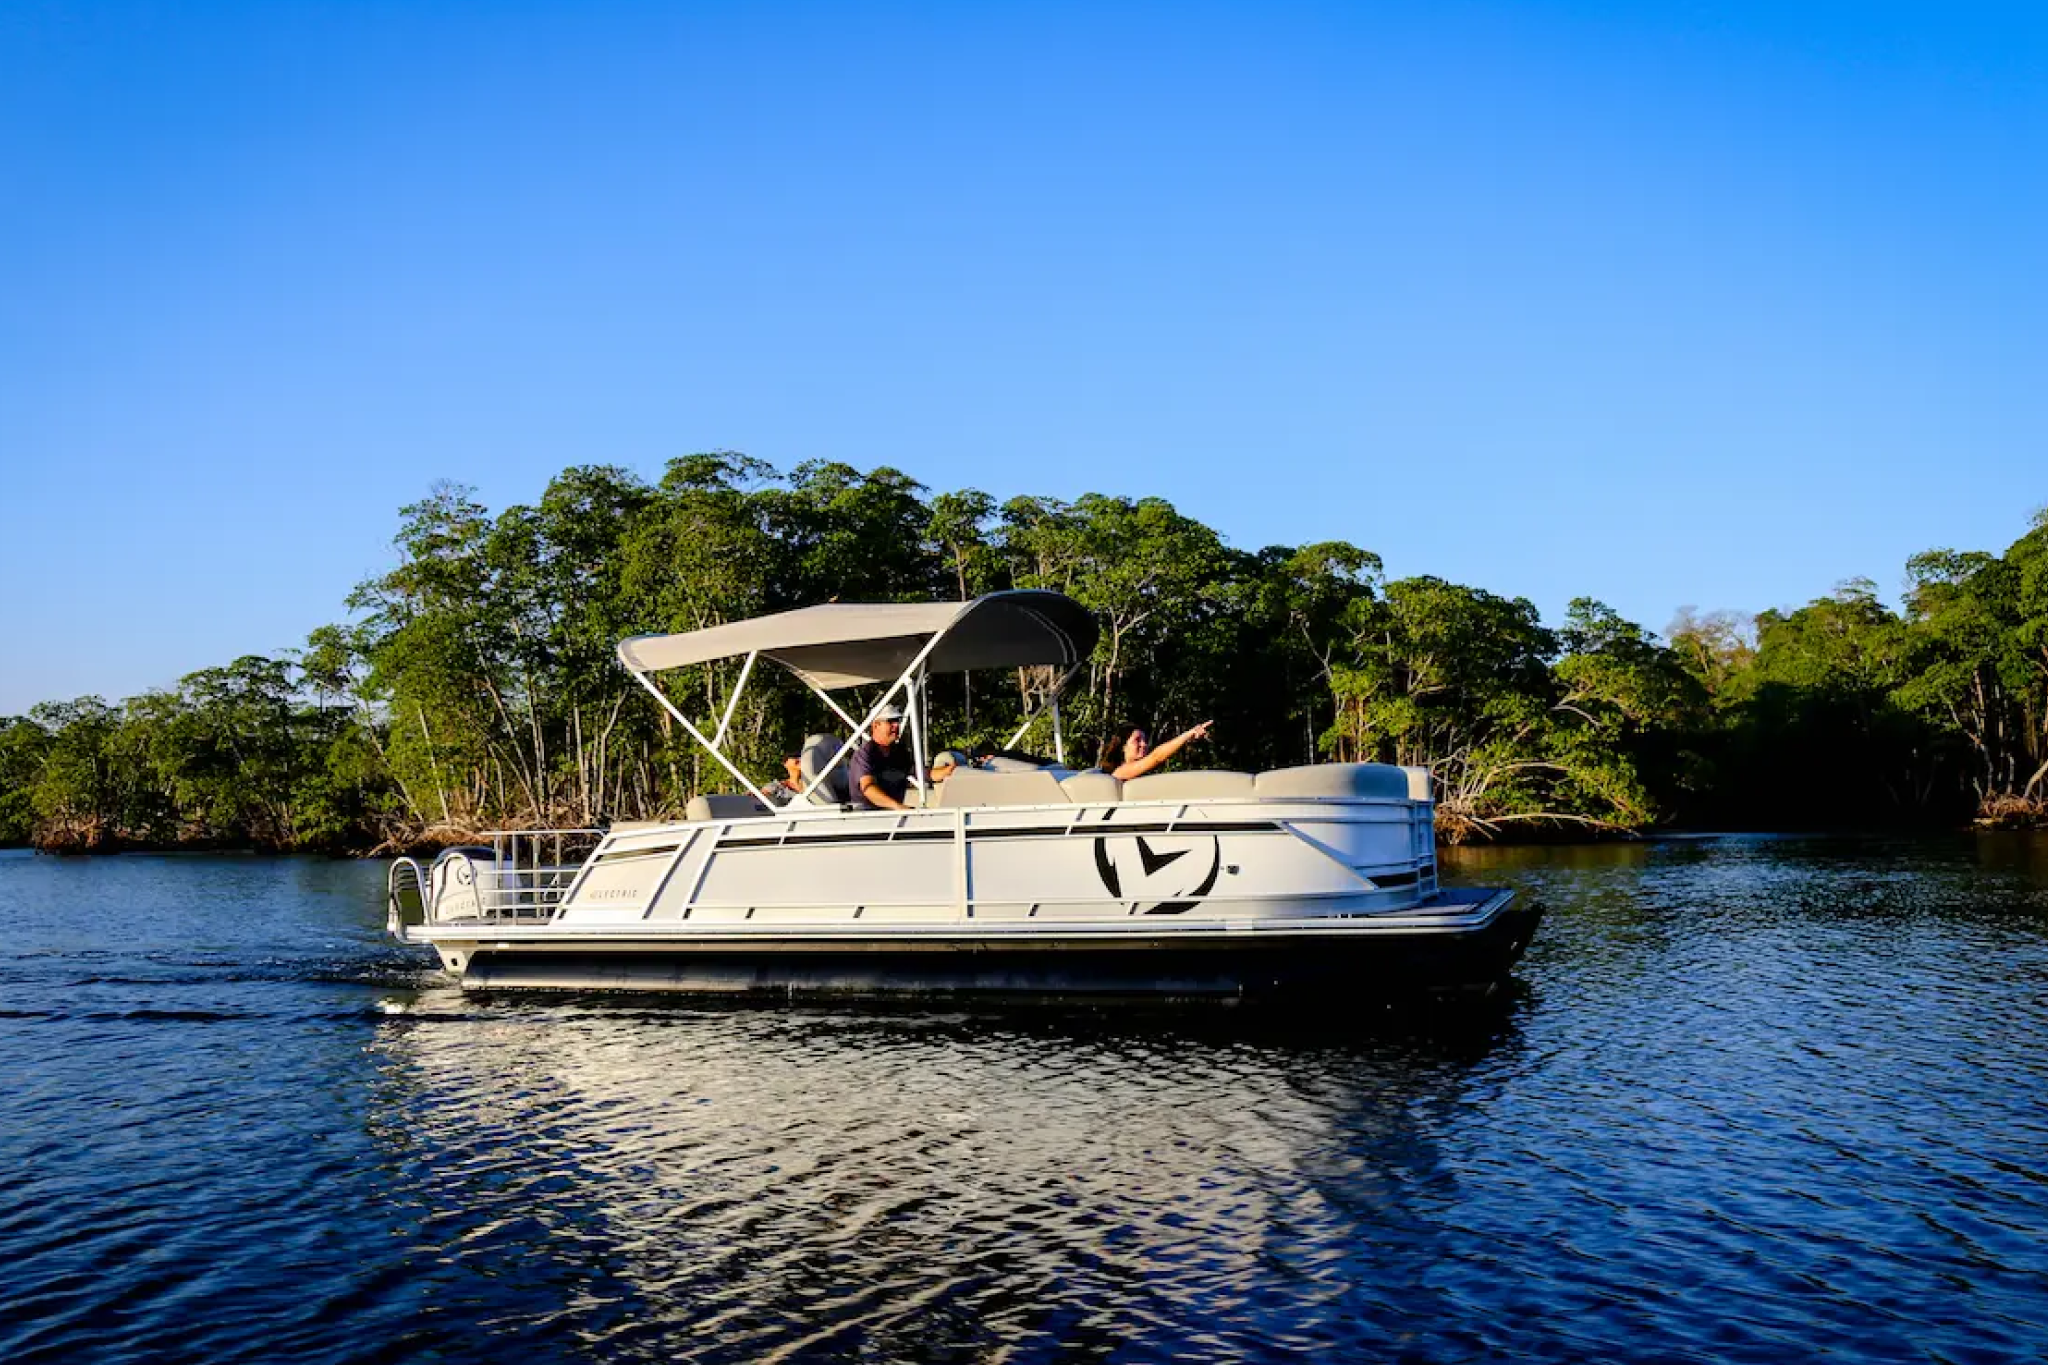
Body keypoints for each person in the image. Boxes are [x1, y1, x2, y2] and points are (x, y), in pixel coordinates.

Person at [848, 704, 919, 810]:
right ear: (876, 725)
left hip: (894, 813)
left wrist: (945, 771)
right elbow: (868, 788)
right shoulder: (865, 754)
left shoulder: (899, 753)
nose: (896, 725)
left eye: (897, 721)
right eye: (890, 721)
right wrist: (897, 806)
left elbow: (923, 774)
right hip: (867, 814)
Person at [1097, 719, 1212, 782]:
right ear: (1123, 747)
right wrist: (1187, 735)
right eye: (1137, 740)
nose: (1144, 744)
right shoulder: (1120, 772)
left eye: (1145, 740)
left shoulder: (1141, 773)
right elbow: (1156, 757)